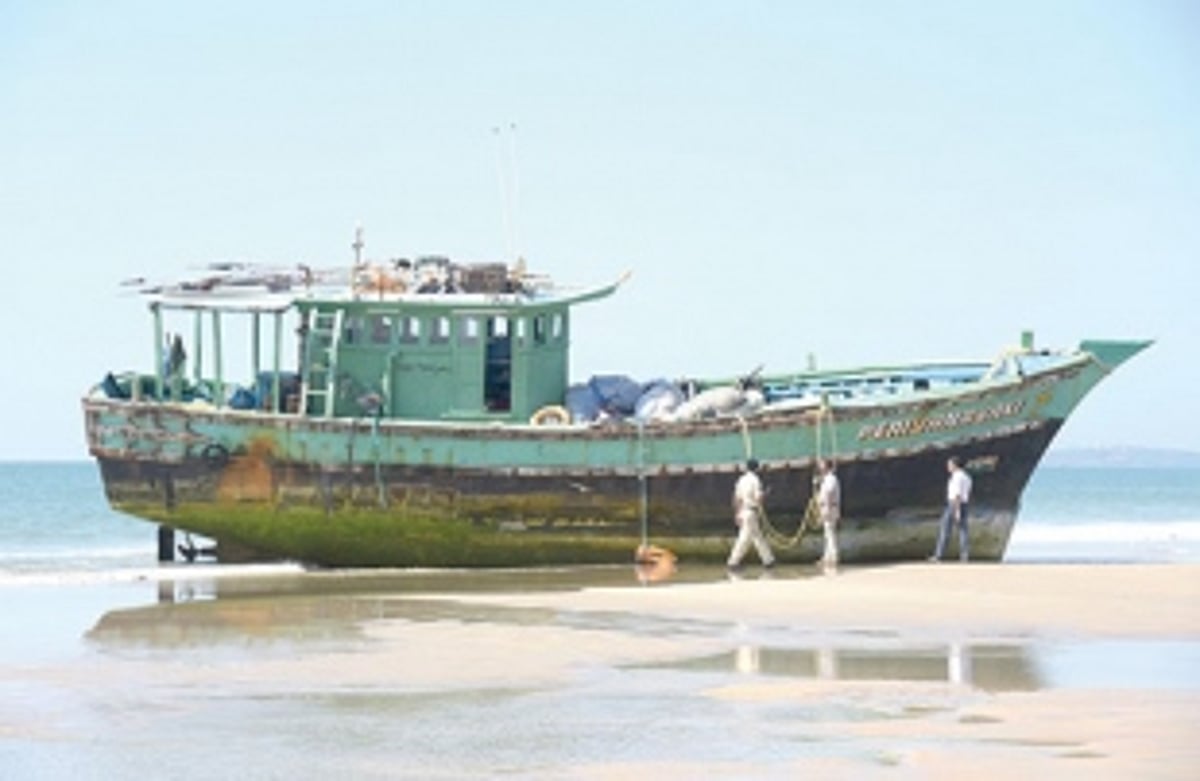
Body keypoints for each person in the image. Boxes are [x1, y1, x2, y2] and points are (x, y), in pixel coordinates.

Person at [727, 458, 775, 570]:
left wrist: (737, 513)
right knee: (745, 538)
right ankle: (733, 562)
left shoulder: (741, 480)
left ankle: (768, 560)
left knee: (757, 537)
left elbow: (736, 498)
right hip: (751, 510)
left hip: (743, 510)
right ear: (757, 468)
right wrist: (766, 493)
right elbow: (758, 498)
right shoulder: (755, 480)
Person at [930, 456, 972, 562]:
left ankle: (938, 555)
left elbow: (957, 494)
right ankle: (964, 555)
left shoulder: (957, 477)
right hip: (964, 504)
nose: (948, 467)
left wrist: (956, 510)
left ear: (955, 465)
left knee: (945, 529)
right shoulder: (967, 477)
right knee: (963, 530)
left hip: (954, 504)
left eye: (950, 465)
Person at [816, 459, 841, 567]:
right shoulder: (826, 479)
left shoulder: (830, 479)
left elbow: (829, 493)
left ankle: (834, 557)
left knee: (830, 534)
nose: (820, 468)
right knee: (827, 533)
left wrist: (826, 510)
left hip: (829, 508)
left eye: (822, 466)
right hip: (828, 507)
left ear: (827, 467)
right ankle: (827, 557)